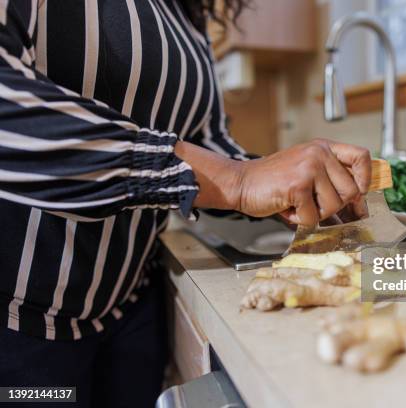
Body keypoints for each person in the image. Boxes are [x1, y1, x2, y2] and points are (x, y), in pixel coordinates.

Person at [0, 1, 371, 406]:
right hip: (20, 328)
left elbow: (207, 143)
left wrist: (277, 177)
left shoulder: (188, 16)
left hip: (134, 308)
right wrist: (239, 181)